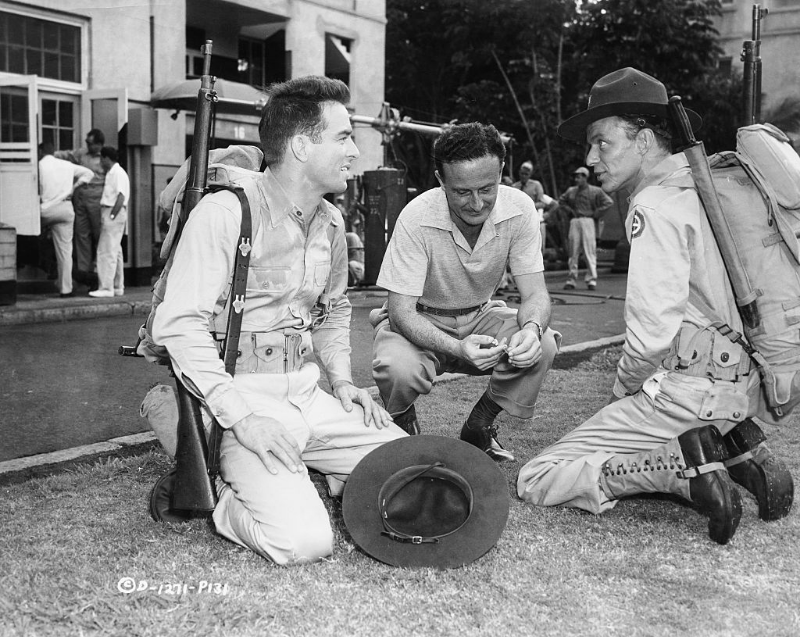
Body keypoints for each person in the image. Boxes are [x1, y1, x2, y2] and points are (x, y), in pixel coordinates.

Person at [517, 67, 793, 544]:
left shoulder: (656, 206)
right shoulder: (713, 188)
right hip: (747, 383)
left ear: (644, 141)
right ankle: (738, 448)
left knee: (538, 477)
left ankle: (682, 470)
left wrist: (622, 394)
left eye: (602, 142)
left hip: (689, 391)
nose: (590, 157)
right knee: (661, 422)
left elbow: (650, 336)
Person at [152, 76, 406, 566]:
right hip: (243, 399)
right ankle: (220, 489)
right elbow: (179, 324)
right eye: (343, 137)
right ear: (301, 145)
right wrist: (242, 421)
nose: (355, 150)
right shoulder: (226, 213)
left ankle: (310, 467)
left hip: (309, 394)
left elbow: (333, 311)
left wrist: (343, 382)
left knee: (410, 467)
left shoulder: (331, 223)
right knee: (304, 543)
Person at [371, 122, 560, 462]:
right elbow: (400, 312)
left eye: (487, 188)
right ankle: (402, 418)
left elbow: (536, 294)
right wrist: (457, 347)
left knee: (543, 344)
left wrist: (531, 330)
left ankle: (480, 424)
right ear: (440, 180)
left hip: (480, 314)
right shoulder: (416, 217)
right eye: (461, 192)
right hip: (420, 319)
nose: (476, 204)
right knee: (396, 366)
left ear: (502, 172)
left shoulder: (520, 209)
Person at [37, 142, 95, 298]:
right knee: (65, 251)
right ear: (53, 151)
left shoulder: (39, 166)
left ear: (41, 151)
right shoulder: (66, 165)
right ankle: (66, 289)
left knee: (26, 238)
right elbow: (88, 173)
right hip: (65, 208)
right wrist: (74, 187)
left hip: (44, 209)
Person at [55, 128, 106, 286]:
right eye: (87, 143)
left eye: (91, 144)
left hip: (97, 198)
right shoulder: (82, 154)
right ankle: (84, 271)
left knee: (99, 234)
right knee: (81, 234)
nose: (88, 146)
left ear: (99, 144)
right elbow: (67, 155)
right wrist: (50, 155)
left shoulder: (104, 157)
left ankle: (99, 270)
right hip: (81, 198)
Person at [558, 166, 613, 290]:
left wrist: (596, 213)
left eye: (579, 177)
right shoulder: (571, 191)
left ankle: (591, 279)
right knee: (573, 250)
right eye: (576, 177)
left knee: (589, 250)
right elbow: (561, 201)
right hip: (575, 221)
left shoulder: (595, 191)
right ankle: (571, 279)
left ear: (585, 178)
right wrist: (569, 211)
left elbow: (608, 202)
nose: (576, 179)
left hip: (588, 221)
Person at [89, 147, 129, 298]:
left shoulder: (117, 173)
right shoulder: (115, 173)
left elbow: (121, 196)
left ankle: (106, 287)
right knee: (115, 250)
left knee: (106, 251)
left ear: (106, 158)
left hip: (113, 211)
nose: (100, 161)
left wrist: (111, 216)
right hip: (114, 212)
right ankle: (118, 286)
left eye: (101, 158)